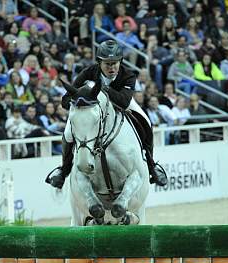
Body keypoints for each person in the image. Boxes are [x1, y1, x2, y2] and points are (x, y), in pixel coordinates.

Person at [45, 39, 167, 189]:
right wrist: (76, 97)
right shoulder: (89, 72)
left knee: (145, 121)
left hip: (121, 104)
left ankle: (151, 165)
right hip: (94, 107)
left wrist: (103, 89)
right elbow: (66, 98)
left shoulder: (128, 75)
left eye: (115, 63)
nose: (112, 67)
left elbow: (123, 101)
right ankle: (63, 170)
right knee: (68, 132)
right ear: (99, 63)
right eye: (107, 64)